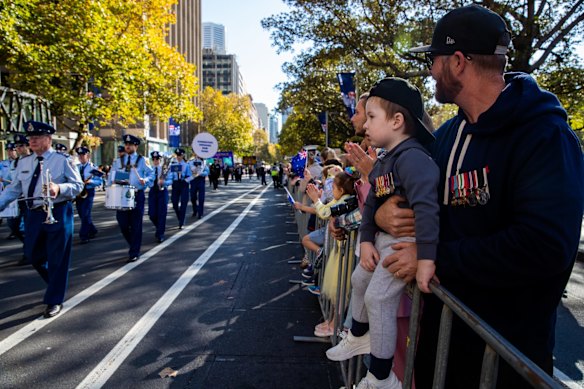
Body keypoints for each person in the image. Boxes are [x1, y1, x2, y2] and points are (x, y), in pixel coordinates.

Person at [375, 5, 584, 388]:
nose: (429, 72)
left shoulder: (545, 137)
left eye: (433, 61)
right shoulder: (448, 135)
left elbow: (544, 246)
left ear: (457, 63)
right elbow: (408, 194)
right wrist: (383, 212)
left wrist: (435, 257)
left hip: (506, 359)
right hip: (441, 344)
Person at [325, 78, 439, 389]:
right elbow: (373, 203)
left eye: (371, 117)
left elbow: (427, 210)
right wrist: (364, 242)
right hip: (383, 242)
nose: (364, 126)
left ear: (397, 121)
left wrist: (426, 259)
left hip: (404, 245)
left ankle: (380, 377)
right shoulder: (388, 159)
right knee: (360, 278)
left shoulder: (414, 158)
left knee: (377, 298)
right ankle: (359, 336)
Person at [0, 121, 83, 318]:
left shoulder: (63, 160)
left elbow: (78, 186)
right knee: (33, 255)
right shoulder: (24, 162)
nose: (32, 141)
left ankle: (54, 299)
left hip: (58, 211)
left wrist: (59, 189)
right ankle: (56, 284)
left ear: (48, 139)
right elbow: (14, 190)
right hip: (34, 214)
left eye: (37, 137)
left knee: (57, 259)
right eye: (30, 138)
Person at [109, 134, 154, 262]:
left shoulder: (142, 160)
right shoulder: (118, 161)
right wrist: (110, 185)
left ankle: (134, 251)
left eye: (130, 144)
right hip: (121, 193)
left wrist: (145, 180)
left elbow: (151, 174)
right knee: (122, 223)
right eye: (126, 144)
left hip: (136, 194)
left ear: (135, 146)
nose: (127, 146)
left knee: (135, 224)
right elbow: (112, 175)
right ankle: (134, 243)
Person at [74, 146, 103, 244]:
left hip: (88, 191)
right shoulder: (76, 167)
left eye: (83, 155)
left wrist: (91, 181)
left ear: (88, 155)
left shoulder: (93, 167)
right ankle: (92, 229)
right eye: (79, 155)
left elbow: (100, 181)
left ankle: (84, 235)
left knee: (85, 213)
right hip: (79, 193)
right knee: (82, 214)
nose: (81, 157)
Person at [148, 151, 171, 243]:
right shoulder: (149, 169)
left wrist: (164, 182)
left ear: (160, 159)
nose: (155, 161)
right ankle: (160, 227)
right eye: (153, 159)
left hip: (162, 191)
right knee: (152, 214)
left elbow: (170, 180)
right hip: (153, 191)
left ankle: (160, 234)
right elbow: (147, 181)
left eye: (157, 159)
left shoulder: (164, 169)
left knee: (162, 213)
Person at [168, 148, 192, 229]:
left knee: (183, 203)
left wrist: (186, 180)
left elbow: (190, 176)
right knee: (174, 203)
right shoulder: (173, 164)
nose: (178, 157)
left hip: (184, 184)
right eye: (177, 155)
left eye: (180, 155)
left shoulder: (186, 165)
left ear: (183, 156)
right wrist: (168, 182)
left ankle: (181, 222)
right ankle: (180, 216)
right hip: (175, 184)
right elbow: (171, 176)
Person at [189, 153, 209, 219]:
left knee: (201, 198)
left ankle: (200, 213)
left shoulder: (204, 162)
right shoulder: (191, 162)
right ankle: (195, 210)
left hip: (200, 180)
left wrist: (201, 173)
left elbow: (207, 172)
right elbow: (188, 170)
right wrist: (193, 170)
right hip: (193, 180)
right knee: (193, 197)